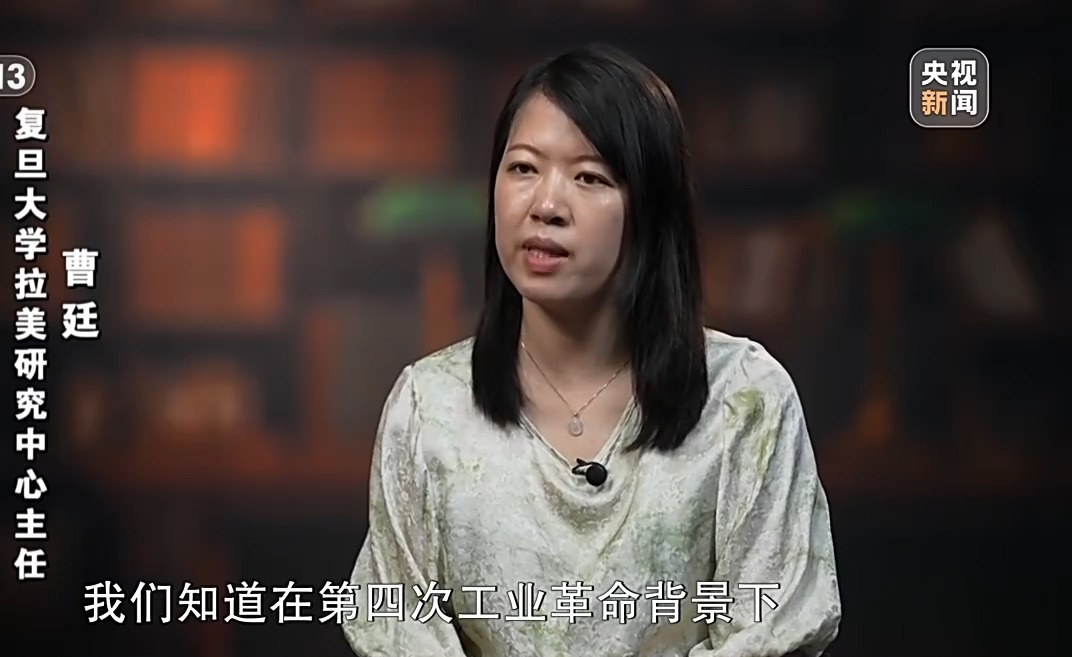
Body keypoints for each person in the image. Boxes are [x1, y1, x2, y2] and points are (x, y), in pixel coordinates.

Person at [341, 43, 841, 657]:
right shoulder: (428, 407)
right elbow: (396, 629)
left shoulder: (746, 400)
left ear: (650, 209)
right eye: (523, 168)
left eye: (590, 177)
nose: (546, 206)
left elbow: (774, 631)